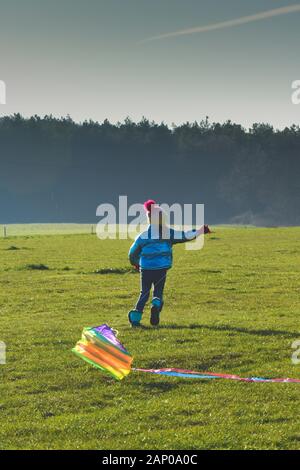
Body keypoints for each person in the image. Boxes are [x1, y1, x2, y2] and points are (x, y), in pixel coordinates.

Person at [128, 200, 211, 327]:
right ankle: (156, 304)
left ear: (149, 218)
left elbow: (133, 252)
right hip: (161, 268)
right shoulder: (169, 233)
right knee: (158, 290)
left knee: (144, 292)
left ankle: (135, 318)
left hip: (146, 269)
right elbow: (185, 235)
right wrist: (200, 231)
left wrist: (135, 263)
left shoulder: (143, 236)